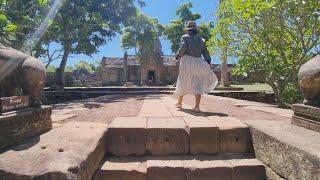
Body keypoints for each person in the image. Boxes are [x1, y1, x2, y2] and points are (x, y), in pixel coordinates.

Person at [175, 21, 218, 112]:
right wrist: (208, 62)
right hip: (198, 61)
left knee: (183, 80)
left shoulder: (185, 37)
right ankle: (197, 106)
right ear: (195, 29)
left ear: (188, 30)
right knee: (197, 82)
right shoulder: (201, 40)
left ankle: (179, 103)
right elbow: (205, 53)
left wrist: (178, 55)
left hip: (187, 61)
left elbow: (183, 47)